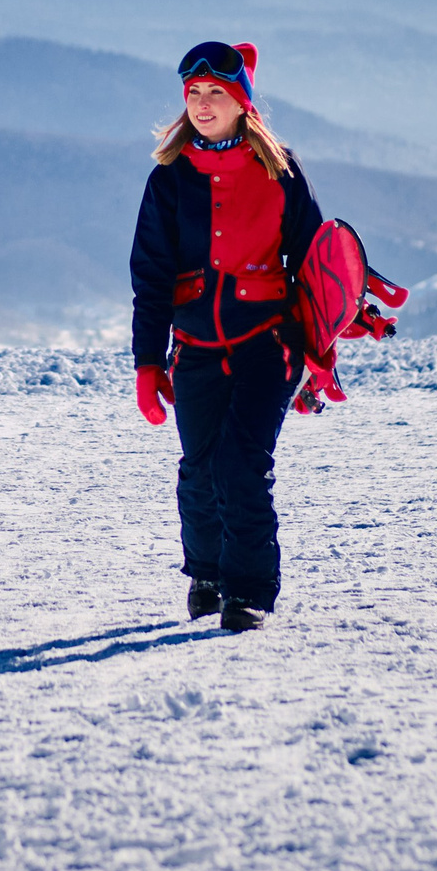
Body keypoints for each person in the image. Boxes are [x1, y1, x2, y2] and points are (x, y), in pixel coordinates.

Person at [128, 40, 324, 633]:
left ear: (242, 100)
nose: (204, 104)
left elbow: (317, 265)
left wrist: (321, 355)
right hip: (195, 350)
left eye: (216, 93)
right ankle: (208, 575)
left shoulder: (279, 169)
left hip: (269, 344)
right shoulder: (170, 178)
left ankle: (248, 592)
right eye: (194, 94)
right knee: (199, 469)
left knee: (241, 464)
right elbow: (151, 275)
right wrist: (146, 362)